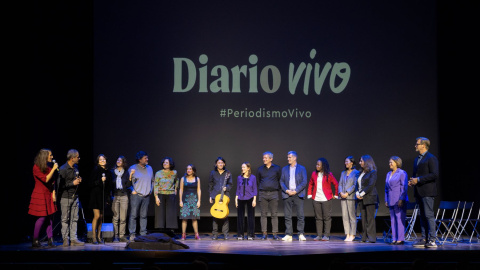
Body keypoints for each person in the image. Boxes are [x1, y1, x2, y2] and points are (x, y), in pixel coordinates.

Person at [408, 137, 439, 248]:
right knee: (422, 216)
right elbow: (416, 175)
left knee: (429, 215)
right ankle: (424, 238)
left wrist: (419, 180)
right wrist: (412, 181)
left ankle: (432, 240)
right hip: (419, 192)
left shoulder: (431, 158)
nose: (415, 146)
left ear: (423, 145)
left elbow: (434, 174)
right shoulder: (417, 159)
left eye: (417, 144)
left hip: (428, 192)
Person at [28, 149, 58, 248]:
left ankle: (50, 240)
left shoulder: (49, 168)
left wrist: (53, 194)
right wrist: (54, 169)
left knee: (49, 217)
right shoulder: (36, 167)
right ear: (45, 156)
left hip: (48, 195)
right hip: (40, 195)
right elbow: (46, 179)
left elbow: (52, 181)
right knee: (41, 217)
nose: (52, 157)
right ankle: (35, 240)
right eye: (50, 155)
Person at [57, 149, 85, 247]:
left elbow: (75, 180)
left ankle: (73, 239)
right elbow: (60, 187)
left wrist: (78, 180)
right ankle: (65, 239)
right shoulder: (63, 169)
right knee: (65, 219)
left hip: (75, 197)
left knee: (74, 219)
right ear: (72, 158)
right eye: (78, 157)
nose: (79, 158)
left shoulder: (76, 167)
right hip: (65, 197)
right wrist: (72, 183)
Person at [307, 157, 338, 241]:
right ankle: (319, 235)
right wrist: (309, 194)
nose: (317, 166)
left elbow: (336, 184)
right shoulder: (314, 174)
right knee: (318, 218)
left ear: (323, 166)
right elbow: (310, 183)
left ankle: (326, 235)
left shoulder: (329, 174)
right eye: (316, 164)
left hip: (326, 199)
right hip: (316, 198)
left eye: (319, 165)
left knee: (327, 218)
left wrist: (336, 195)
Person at [280, 151, 308, 241]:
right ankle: (289, 234)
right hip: (287, 194)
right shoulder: (284, 169)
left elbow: (304, 182)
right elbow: (281, 181)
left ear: (295, 158)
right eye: (288, 157)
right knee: (287, 215)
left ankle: (300, 233)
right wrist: (287, 190)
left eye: (290, 157)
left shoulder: (302, 168)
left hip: (298, 194)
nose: (288, 159)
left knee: (300, 215)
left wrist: (296, 191)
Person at [128, 151, 154, 241]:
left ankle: (143, 233)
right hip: (136, 195)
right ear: (140, 159)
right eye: (145, 158)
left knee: (144, 215)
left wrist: (151, 190)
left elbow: (153, 181)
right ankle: (132, 233)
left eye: (147, 158)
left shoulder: (150, 168)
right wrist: (132, 190)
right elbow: (128, 182)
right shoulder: (133, 168)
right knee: (134, 215)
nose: (147, 159)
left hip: (146, 196)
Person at [256, 151, 282, 240]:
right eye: (263, 158)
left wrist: (275, 188)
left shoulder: (277, 168)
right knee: (263, 214)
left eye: (266, 158)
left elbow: (279, 179)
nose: (264, 159)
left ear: (271, 159)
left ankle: (275, 233)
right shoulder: (260, 169)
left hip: (274, 194)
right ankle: (264, 233)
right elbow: (258, 181)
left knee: (274, 214)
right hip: (263, 193)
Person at [89, 154, 112, 244]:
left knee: (101, 217)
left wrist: (108, 198)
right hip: (95, 196)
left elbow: (109, 186)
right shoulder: (96, 170)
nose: (102, 161)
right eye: (100, 159)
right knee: (97, 216)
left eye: (104, 159)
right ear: (98, 161)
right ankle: (94, 237)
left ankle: (99, 236)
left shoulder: (109, 172)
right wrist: (100, 181)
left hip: (103, 196)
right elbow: (90, 183)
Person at [385, 156, 408, 245]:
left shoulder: (402, 173)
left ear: (397, 163)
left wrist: (401, 199)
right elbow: (386, 188)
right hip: (391, 199)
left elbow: (404, 187)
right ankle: (394, 238)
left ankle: (400, 239)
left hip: (399, 200)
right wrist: (386, 199)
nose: (389, 164)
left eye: (391, 162)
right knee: (393, 220)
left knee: (399, 219)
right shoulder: (388, 174)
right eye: (389, 162)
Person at [355, 155, 378, 243]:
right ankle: (364, 237)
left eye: (361, 161)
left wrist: (362, 194)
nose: (360, 163)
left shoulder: (372, 172)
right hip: (360, 198)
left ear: (367, 162)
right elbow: (357, 184)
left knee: (370, 218)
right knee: (363, 218)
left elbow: (370, 185)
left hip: (369, 197)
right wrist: (357, 193)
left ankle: (372, 238)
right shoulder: (361, 173)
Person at [208, 157, 232, 240]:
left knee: (225, 215)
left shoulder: (228, 173)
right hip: (215, 196)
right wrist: (211, 196)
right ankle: (215, 234)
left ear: (224, 164)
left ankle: (226, 234)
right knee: (215, 216)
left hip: (225, 197)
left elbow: (230, 184)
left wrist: (227, 188)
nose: (220, 164)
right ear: (216, 164)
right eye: (219, 163)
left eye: (222, 163)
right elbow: (210, 185)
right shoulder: (212, 173)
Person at [154, 157, 179, 235]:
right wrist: (156, 197)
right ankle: (161, 230)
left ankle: (170, 231)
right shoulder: (158, 173)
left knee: (170, 213)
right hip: (160, 194)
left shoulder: (174, 172)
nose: (164, 164)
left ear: (170, 164)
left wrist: (175, 189)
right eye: (164, 162)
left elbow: (177, 180)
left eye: (166, 162)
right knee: (160, 213)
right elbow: (155, 185)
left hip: (170, 194)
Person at [110, 155, 131, 242]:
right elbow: (110, 185)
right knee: (115, 217)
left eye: (120, 160)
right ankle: (115, 236)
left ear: (123, 163)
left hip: (124, 196)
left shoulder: (126, 172)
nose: (118, 162)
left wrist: (130, 177)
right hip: (115, 196)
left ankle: (121, 236)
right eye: (117, 160)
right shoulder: (112, 172)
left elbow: (128, 185)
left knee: (123, 218)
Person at [338, 156, 359, 242]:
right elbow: (340, 184)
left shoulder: (356, 172)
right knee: (345, 217)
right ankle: (347, 234)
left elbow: (355, 185)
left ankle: (352, 234)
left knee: (352, 216)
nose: (345, 163)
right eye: (345, 162)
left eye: (347, 162)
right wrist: (341, 192)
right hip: (343, 197)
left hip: (351, 197)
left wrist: (347, 192)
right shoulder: (343, 173)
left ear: (352, 163)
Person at [235, 162, 257, 240]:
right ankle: (240, 234)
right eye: (242, 167)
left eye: (244, 167)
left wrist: (254, 200)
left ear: (248, 168)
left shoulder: (253, 177)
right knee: (240, 217)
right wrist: (236, 199)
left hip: (250, 198)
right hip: (240, 198)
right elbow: (238, 188)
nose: (242, 169)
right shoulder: (239, 177)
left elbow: (254, 189)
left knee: (250, 217)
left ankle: (251, 234)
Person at [179, 164, 201, 240]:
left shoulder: (197, 179)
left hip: (194, 200)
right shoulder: (183, 178)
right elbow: (181, 190)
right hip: (185, 200)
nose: (188, 170)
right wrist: (180, 201)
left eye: (190, 169)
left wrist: (199, 201)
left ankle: (196, 234)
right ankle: (183, 235)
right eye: (187, 169)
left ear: (193, 170)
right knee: (184, 218)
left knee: (194, 218)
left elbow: (199, 190)